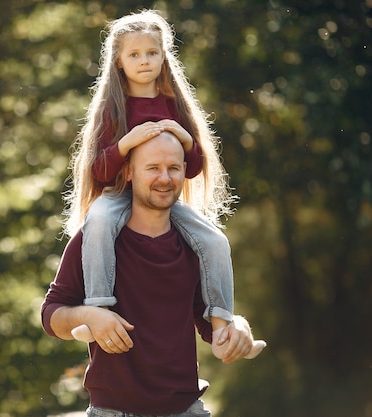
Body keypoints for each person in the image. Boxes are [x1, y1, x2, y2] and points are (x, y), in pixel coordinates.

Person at [63, 9, 265, 359]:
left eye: (152, 53)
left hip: (161, 200)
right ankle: (98, 311)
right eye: (135, 55)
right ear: (120, 61)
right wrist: (127, 142)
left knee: (214, 240)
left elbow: (194, 167)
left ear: (164, 56)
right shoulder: (114, 107)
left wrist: (185, 138)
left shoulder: (174, 103)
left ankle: (221, 326)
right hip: (120, 195)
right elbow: (98, 170)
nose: (145, 61)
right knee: (97, 222)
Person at [42, 131, 257, 416]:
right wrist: (88, 315)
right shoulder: (93, 240)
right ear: (129, 172)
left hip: (185, 409)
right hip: (113, 411)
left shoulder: (196, 247)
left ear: (185, 172)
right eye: (153, 168)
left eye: (174, 168)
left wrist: (237, 327)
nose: (165, 178)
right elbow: (50, 315)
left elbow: (208, 323)